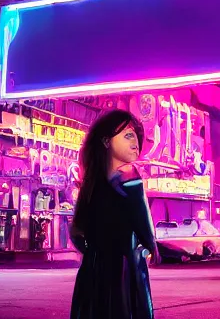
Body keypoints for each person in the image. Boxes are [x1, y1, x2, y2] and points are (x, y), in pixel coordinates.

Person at [70, 109, 156, 319]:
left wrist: (94, 253)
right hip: (125, 266)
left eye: (136, 135)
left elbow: (76, 232)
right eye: (127, 135)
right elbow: (142, 220)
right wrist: (152, 247)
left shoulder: (91, 184)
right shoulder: (130, 176)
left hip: (93, 269)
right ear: (106, 142)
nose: (135, 141)